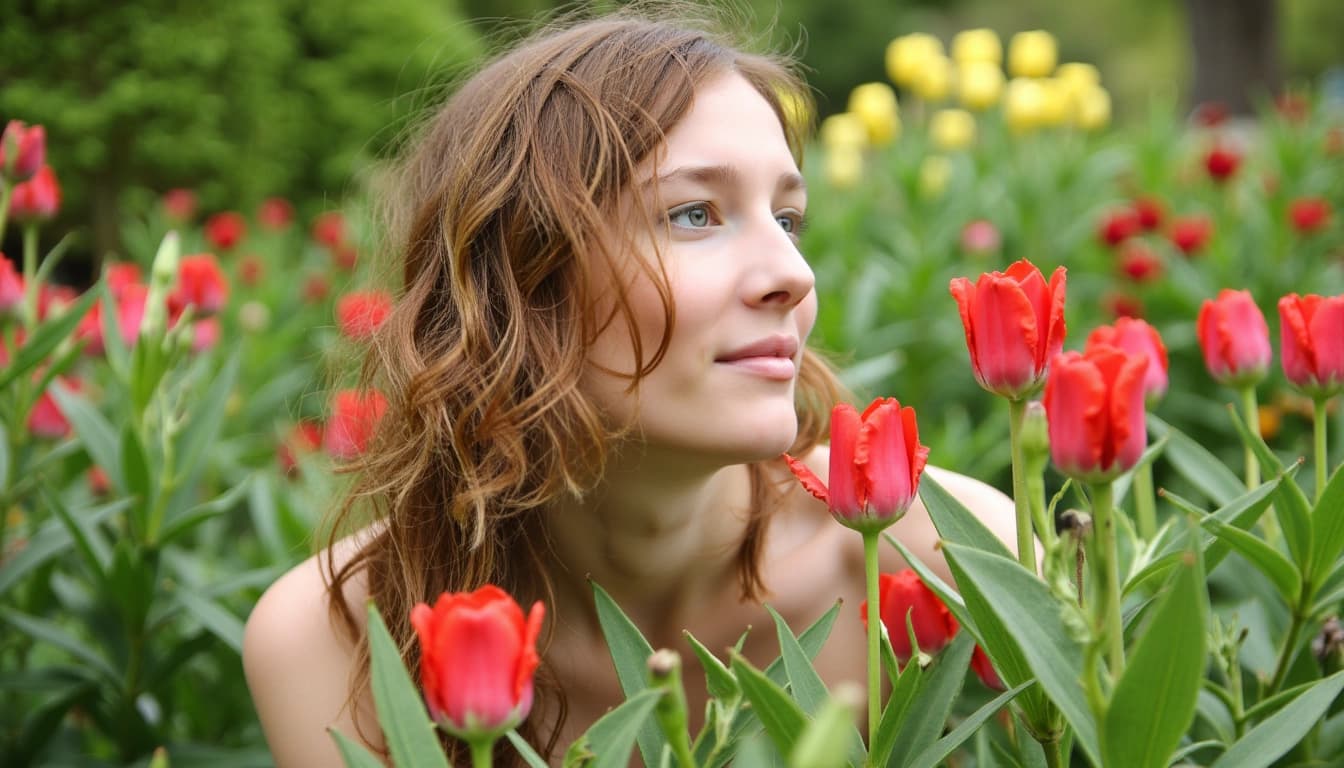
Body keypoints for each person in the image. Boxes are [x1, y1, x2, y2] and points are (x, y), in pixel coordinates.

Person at [242, 8, 1016, 767]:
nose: (793, 274)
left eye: (788, 219)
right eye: (693, 214)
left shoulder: (950, 558)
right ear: (520, 281)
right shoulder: (334, 645)